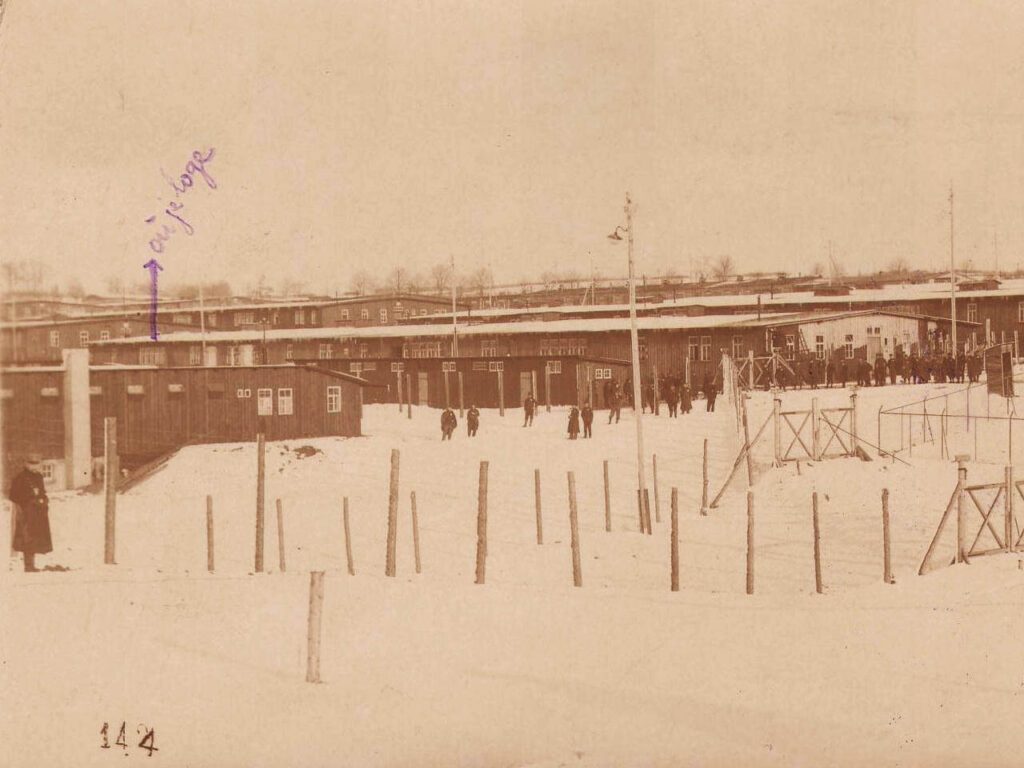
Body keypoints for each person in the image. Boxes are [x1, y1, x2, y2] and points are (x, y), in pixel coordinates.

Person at [8, 452, 51, 573]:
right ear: (26, 464)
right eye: (31, 464)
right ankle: (28, 565)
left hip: (38, 512)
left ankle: (32, 564)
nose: (34, 466)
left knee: (36, 537)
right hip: (25, 512)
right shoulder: (20, 478)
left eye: (36, 464)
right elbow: (13, 496)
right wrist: (28, 500)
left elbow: (42, 492)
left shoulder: (39, 477)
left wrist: (44, 500)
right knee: (27, 538)